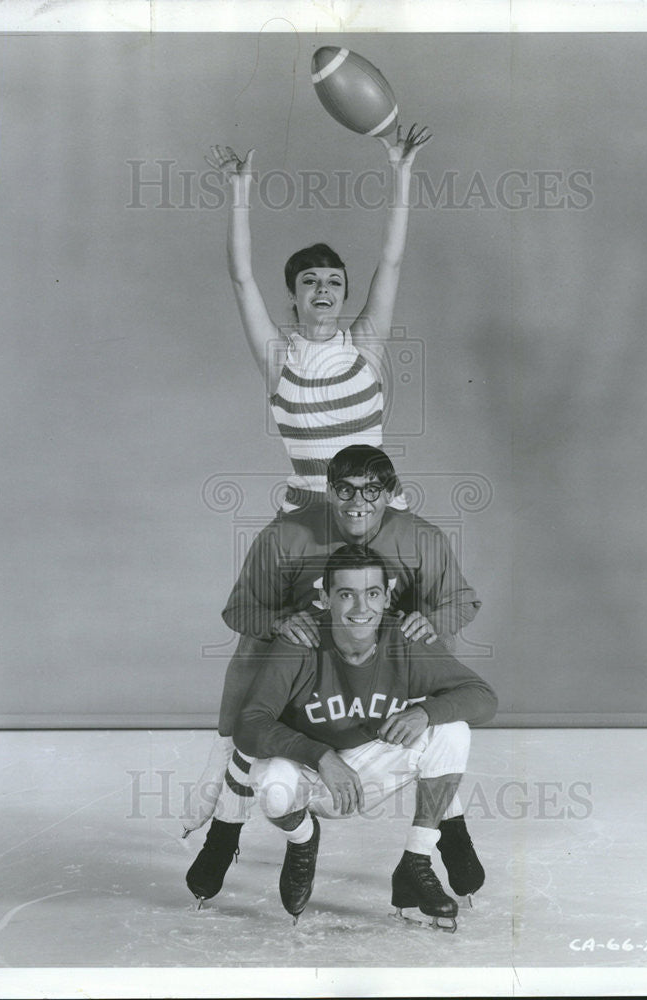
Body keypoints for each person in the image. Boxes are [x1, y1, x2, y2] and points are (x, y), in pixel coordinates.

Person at [183, 445, 483, 904]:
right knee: (243, 741)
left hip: (378, 661)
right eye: (344, 489)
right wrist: (278, 623)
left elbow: (461, 600)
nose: (356, 501)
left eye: (371, 490)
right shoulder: (286, 536)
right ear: (329, 492)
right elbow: (239, 607)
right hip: (299, 661)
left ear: (391, 494)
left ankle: (449, 836)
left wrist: (433, 623)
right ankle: (223, 838)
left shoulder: (421, 538)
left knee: (435, 730)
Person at [233, 545, 498, 929]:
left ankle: (415, 861)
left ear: (387, 597)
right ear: (325, 597)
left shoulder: (402, 638)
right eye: (346, 594)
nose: (361, 607)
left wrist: (425, 712)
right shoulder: (301, 641)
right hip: (315, 775)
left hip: (373, 766)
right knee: (271, 787)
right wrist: (320, 756)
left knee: (450, 729)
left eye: (372, 593)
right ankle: (303, 840)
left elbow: (482, 697)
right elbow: (250, 725)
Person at [204, 123, 430, 510]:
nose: (323, 289)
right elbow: (241, 278)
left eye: (334, 282)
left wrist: (401, 173)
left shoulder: (364, 345)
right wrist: (239, 193)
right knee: (260, 572)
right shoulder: (279, 357)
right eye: (310, 281)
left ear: (344, 294)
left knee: (431, 566)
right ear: (294, 293)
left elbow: (391, 261)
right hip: (307, 516)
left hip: (377, 511)